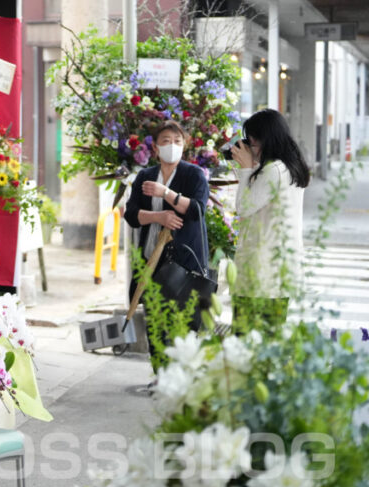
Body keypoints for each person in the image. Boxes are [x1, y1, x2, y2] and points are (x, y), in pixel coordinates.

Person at [124, 120, 211, 361]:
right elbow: (131, 214)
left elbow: (196, 210)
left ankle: (180, 375)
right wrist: (158, 216)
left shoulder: (194, 174)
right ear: (155, 148)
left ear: (184, 146)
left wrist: (165, 193)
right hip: (151, 260)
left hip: (182, 264)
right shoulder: (146, 176)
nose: (172, 146)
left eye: (177, 142)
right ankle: (159, 374)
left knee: (181, 322)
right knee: (155, 322)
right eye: (166, 141)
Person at [229, 108, 310, 335]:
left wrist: (246, 168)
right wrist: (250, 167)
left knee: (247, 343)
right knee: (269, 342)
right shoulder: (288, 166)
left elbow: (243, 207)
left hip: (260, 273)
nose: (249, 148)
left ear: (266, 141)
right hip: (278, 271)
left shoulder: (273, 171)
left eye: (252, 143)